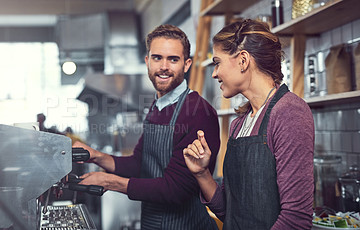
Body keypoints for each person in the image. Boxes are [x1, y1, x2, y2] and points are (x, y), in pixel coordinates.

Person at [73, 24, 220, 230]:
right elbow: (140, 163)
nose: (163, 66)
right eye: (157, 58)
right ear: (147, 61)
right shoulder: (157, 106)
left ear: (187, 65)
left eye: (173, 59)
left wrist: (109, 182)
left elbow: (176, 189)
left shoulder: (198, 112)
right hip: (153, 223)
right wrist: (95, 155)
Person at [183, 19, 314, 230]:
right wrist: (201, 173)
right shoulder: (239, 125)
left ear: (243, 60)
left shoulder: (289, 112)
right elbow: (230, 212)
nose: (214, 73)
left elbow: (296, 219)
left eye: (218, 62)